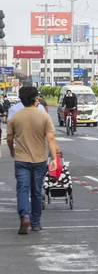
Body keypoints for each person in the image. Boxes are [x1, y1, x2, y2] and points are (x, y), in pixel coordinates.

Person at [6, 86, 58, 234]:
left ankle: (25, 216)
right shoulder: (44, 116)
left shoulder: (15, 117)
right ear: (36, 99)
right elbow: (50, 138)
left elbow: (9, 138)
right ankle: (36, 222)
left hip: (21, 159)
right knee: (36, 191)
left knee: (22, 189)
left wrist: (11, 150)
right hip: (39, 159)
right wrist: (54, 158)